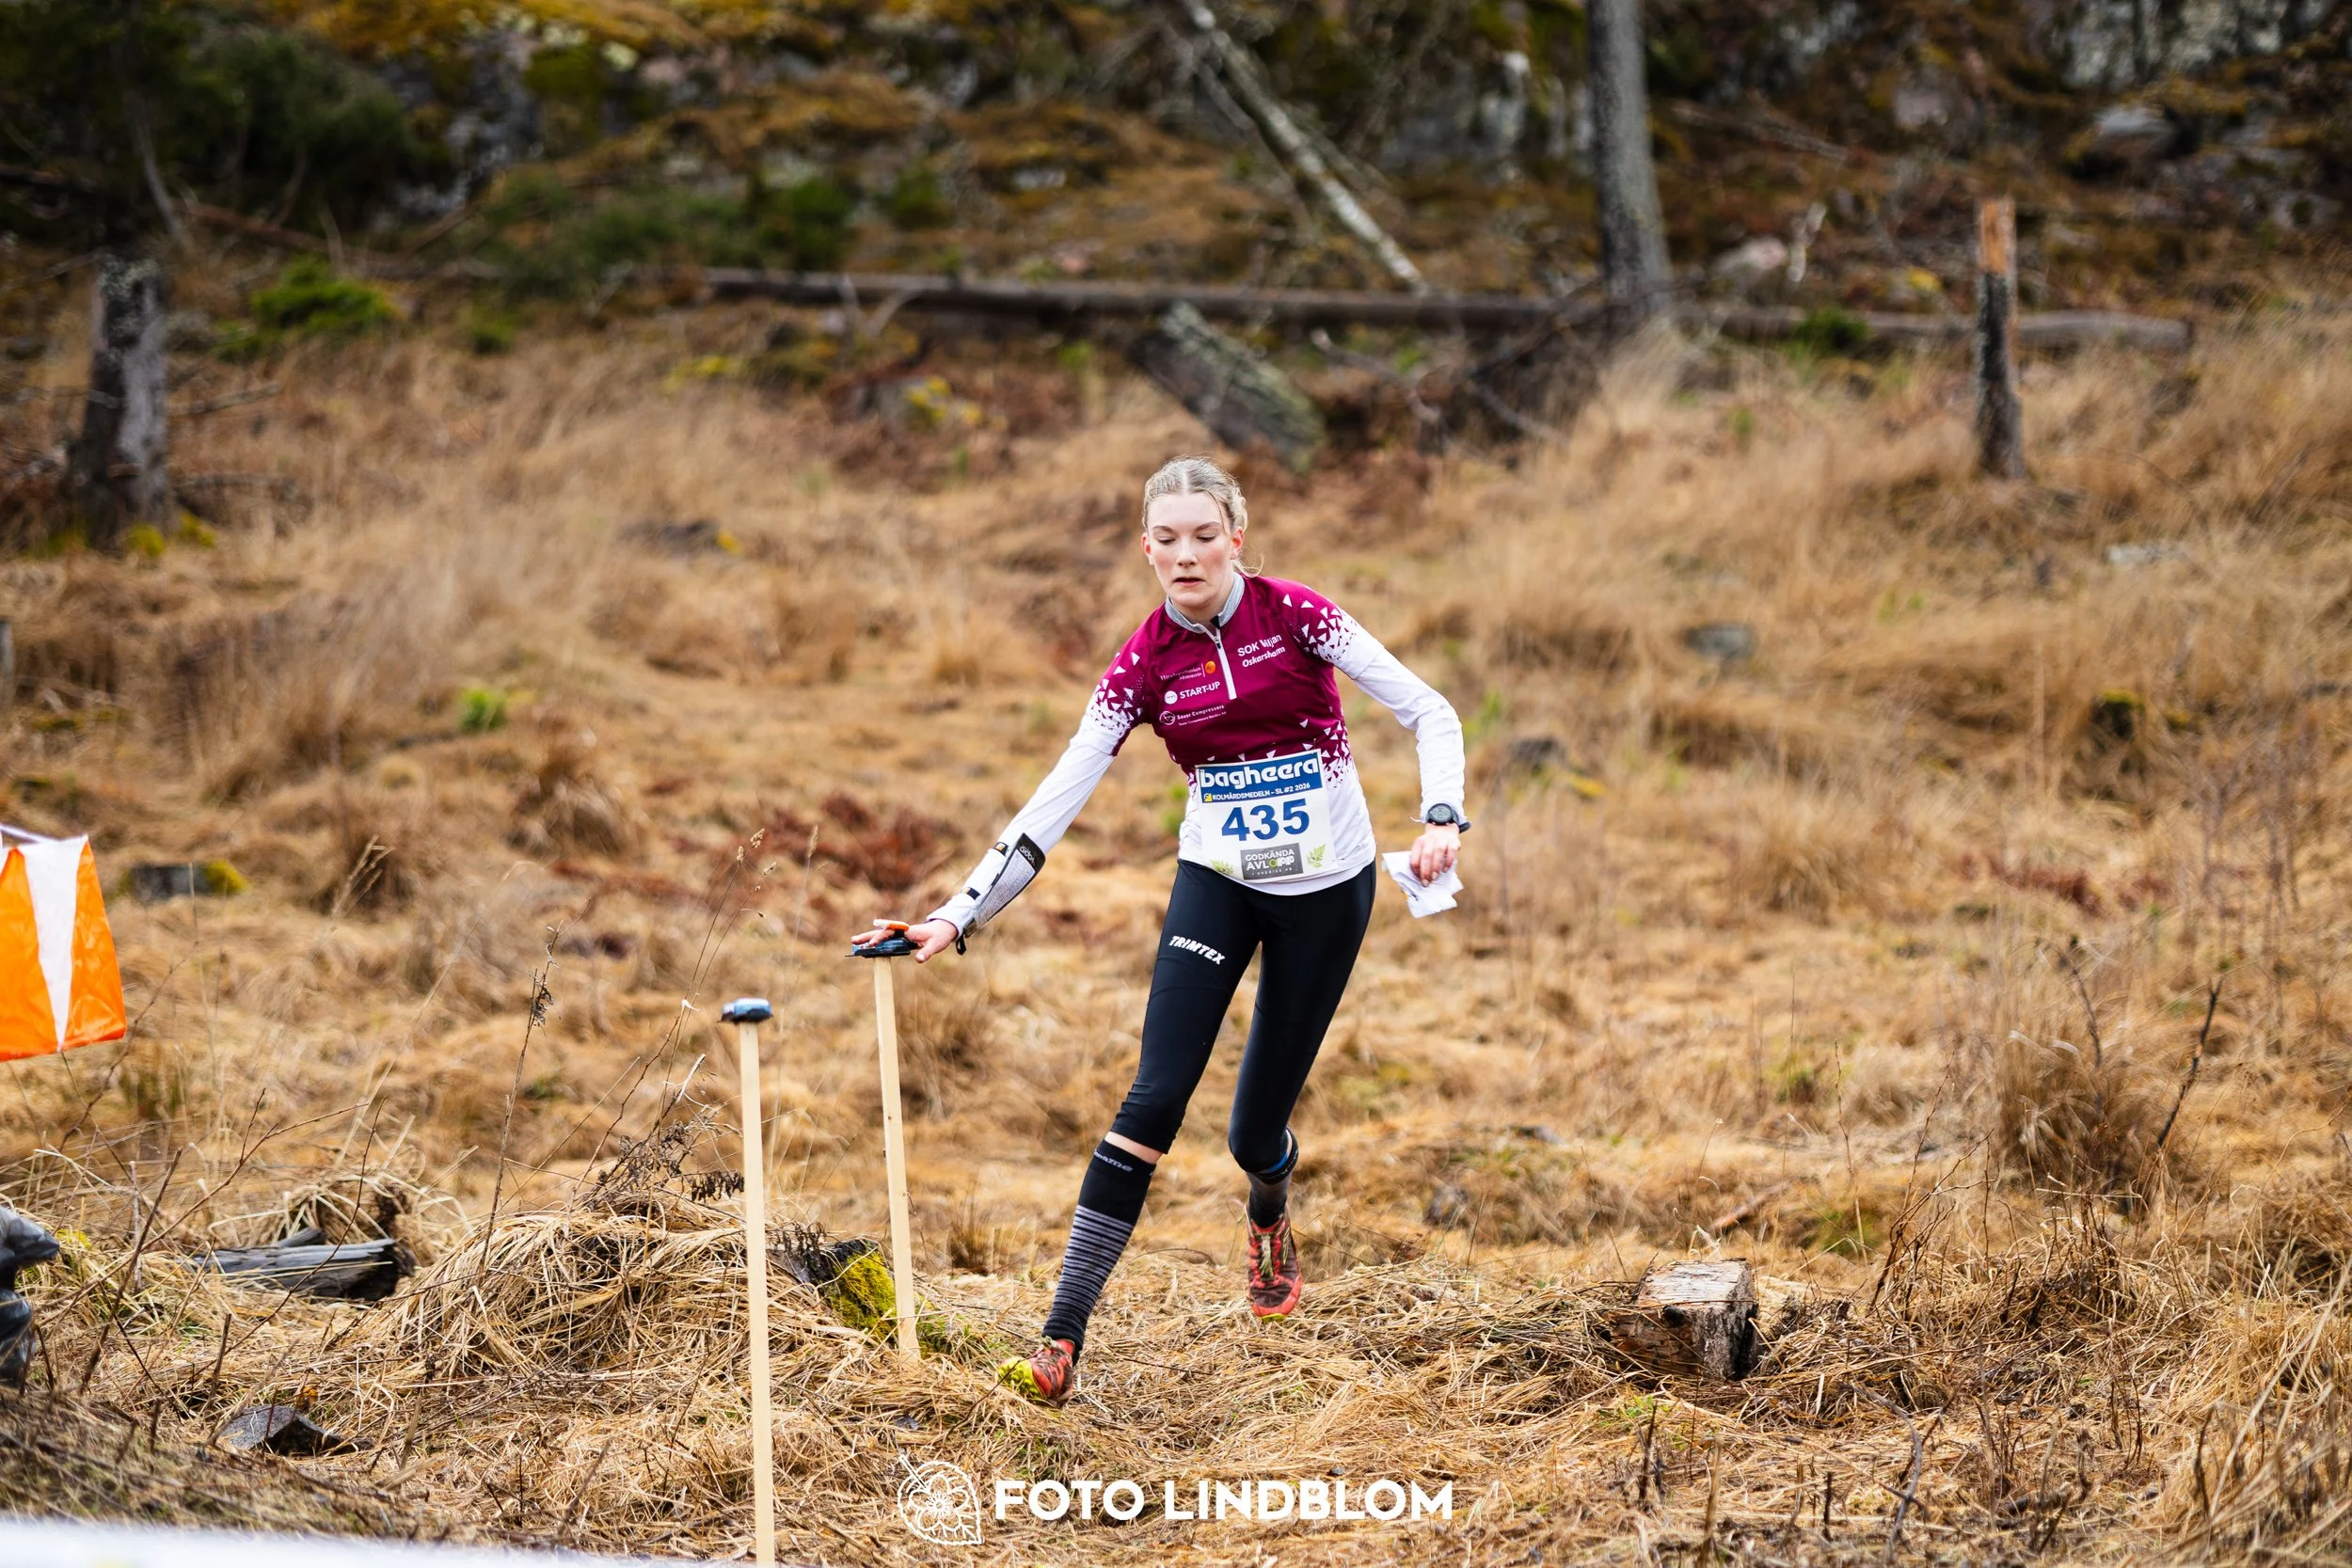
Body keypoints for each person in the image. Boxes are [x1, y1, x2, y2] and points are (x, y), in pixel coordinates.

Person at [852, 455, 1467, 1406]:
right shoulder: (1143, 663)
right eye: (1168, 539)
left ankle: (1269, 1204)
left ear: (1236, 539)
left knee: (1251, 1133)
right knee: (1153, 1096)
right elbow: (1054, 799)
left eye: (1205, 536)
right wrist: (955, 914)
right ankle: (1060, 1340)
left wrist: (1441, 817)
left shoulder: (1298, 615)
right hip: (1217, 883)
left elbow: (1429, 708)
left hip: (1325, 894)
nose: (1187, 555)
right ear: (1146, 549)